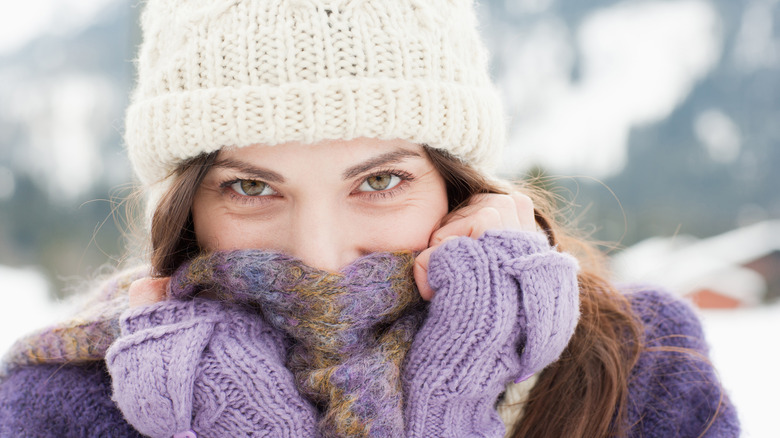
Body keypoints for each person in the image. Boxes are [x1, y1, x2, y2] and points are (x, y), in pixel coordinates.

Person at [0, 1, 739, 437]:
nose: (321, 256)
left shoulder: (635, 367)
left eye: (380, 181)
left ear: (458, 185)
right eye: (252, 189)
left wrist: (455, 401)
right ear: (185, 205)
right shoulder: (67, 405)